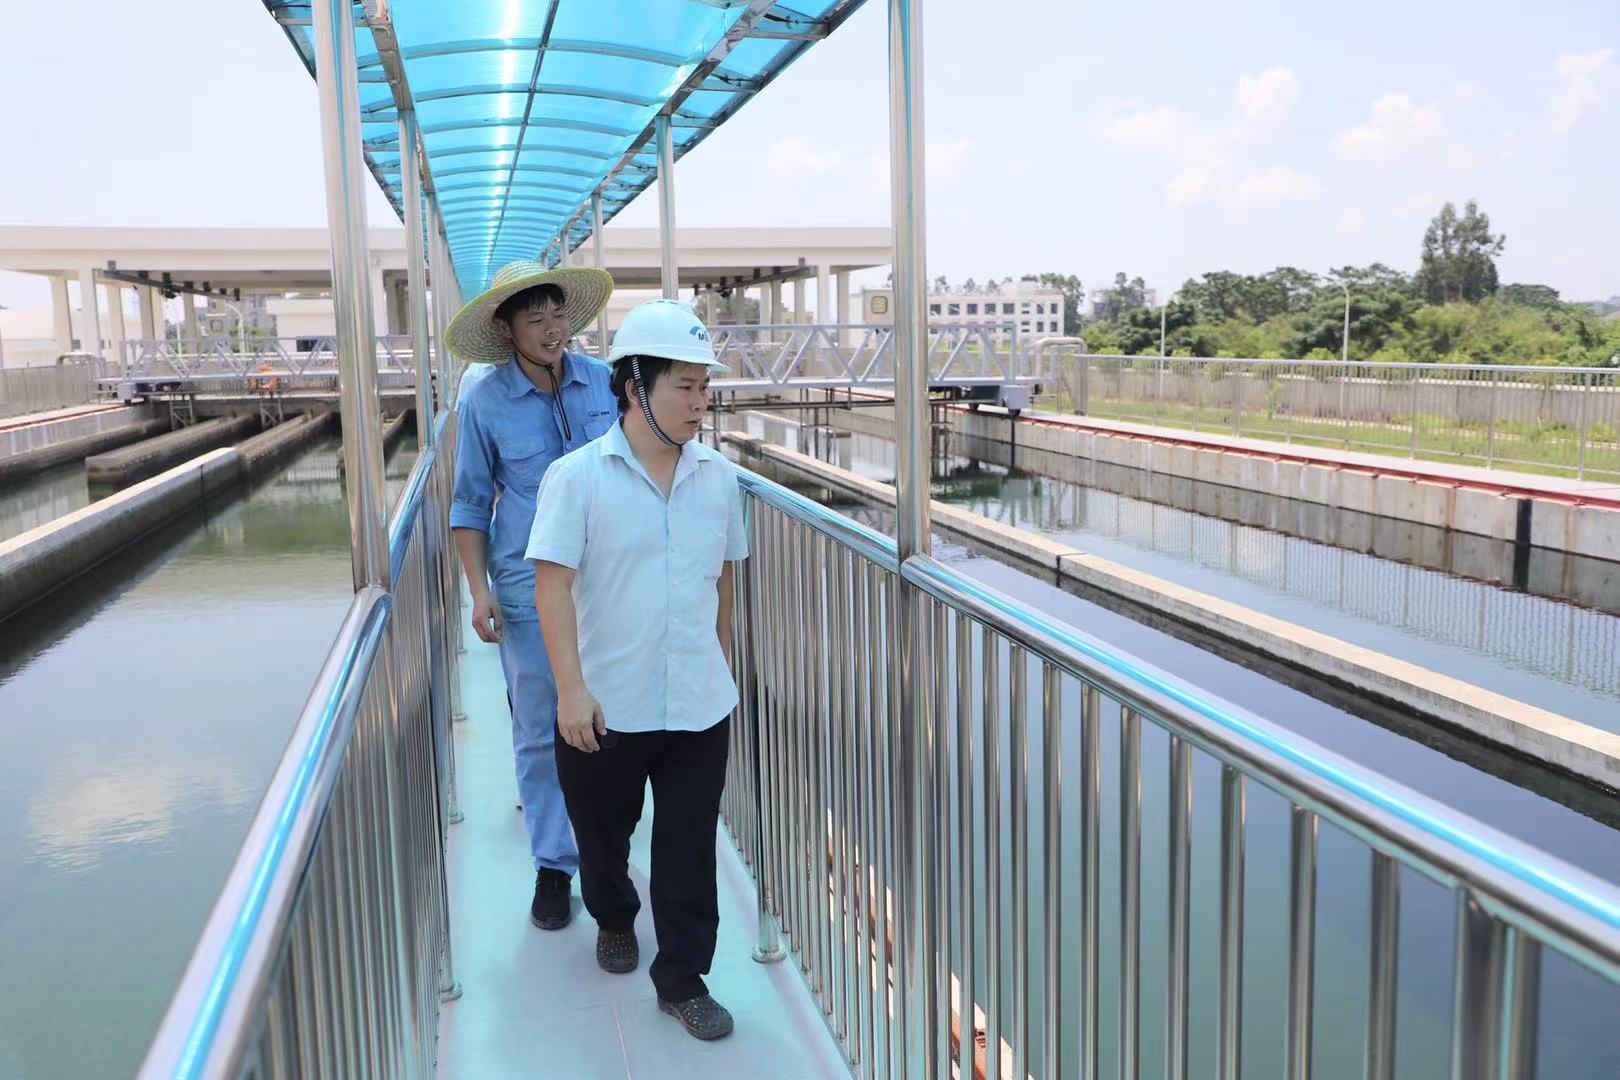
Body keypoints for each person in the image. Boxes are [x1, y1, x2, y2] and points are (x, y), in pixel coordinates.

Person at [527, 299, 745, 1041]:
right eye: (684, 386)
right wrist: (570, 691)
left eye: (704, 387)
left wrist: (721, 665)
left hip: (697, 702)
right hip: (607, 704)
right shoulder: (577, 478)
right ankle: (614, 916)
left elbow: (723, 579)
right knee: (603, 838)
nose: (699, 402)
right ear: (634, 387)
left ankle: (682, 979)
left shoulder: (719, 479)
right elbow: (551, 586)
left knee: (688, 851)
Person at [446, 260, 616, 931]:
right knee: (542, 728)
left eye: (558, 313)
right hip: (525, 586)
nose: (552, 328)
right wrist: (478, 590)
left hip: (606, 583)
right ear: (506, 329)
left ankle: (605, 848)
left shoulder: (605, 383)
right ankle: (553, 863)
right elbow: (468, 502)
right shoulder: (483, 403)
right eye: (535, 317)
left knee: (612, 719)